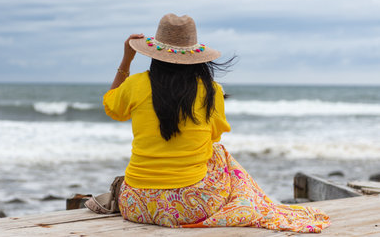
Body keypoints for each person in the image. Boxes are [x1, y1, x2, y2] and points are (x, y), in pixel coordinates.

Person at [102, 13, 330, 233]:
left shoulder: (135, 85)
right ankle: (248, 203)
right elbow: (212, 138)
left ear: (154, 53)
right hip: (190, 207)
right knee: (218, 152)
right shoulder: (212, 90)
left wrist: (126, 59)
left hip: (135, 204)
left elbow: (112, 109)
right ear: (194, 56)